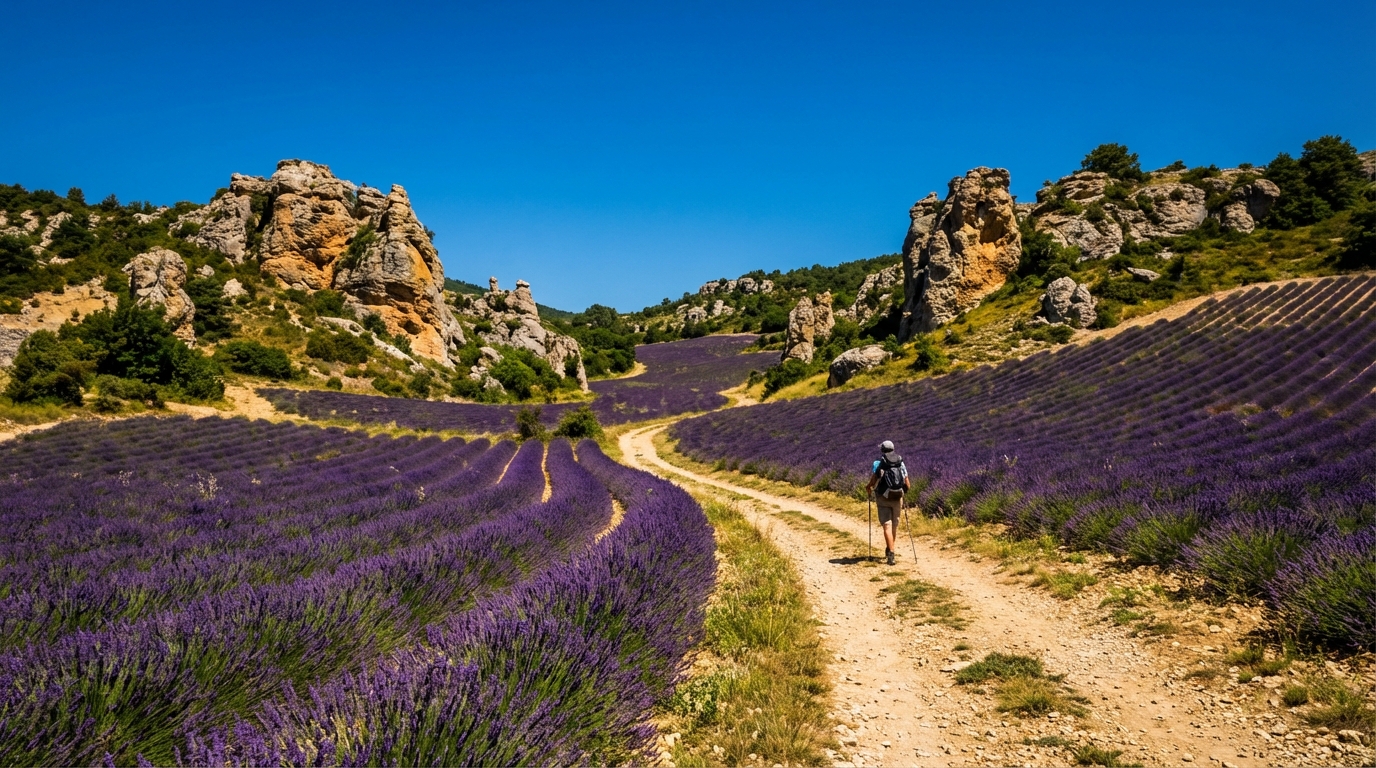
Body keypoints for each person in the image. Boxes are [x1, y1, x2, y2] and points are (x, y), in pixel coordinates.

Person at [865, 440, 910, 566]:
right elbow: (907, 483)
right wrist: (903, 493)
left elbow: (874, 480)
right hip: (897, 498)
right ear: (893, 449)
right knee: (894, 526)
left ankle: (891, 553)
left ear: (882, 451)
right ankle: (890, 548)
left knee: (887, 525)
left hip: (883, 497)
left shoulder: (878, 463)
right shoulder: (901, 463)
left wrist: (868, 487)